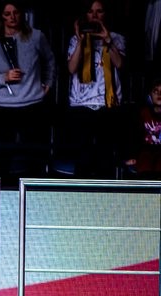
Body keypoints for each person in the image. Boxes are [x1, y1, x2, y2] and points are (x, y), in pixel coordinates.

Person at [0, 1, 55, 176]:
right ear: (1, 17)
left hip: (32, 104)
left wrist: (47, 84)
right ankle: (1, 198)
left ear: (22, 14)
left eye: (16, 12)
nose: (12, 17)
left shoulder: (37, 37)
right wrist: (3, 78)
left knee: (36, 160)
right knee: (2, 161)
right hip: (1, 107)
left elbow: (50, 61)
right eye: (7, 13)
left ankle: (36, 198)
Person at [65, 0, 127, 177]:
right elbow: (71, 68)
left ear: (105, 15)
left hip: (108, 103)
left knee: (105, 155)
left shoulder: (116, 38)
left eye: (99, 12)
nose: (94, 16)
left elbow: (120, 64)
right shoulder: (75, 39)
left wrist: (107, 40)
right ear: (85, 15)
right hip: (81, 104)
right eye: (90, 12)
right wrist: (79, 41)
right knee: (82, 154)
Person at [125, 79, 161, 177]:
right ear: (150, 94)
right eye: (155, 91)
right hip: (145, 151)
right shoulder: (142, 113)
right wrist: (131, 156)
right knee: (145, 163)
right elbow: (133, 137)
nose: (159, 94)